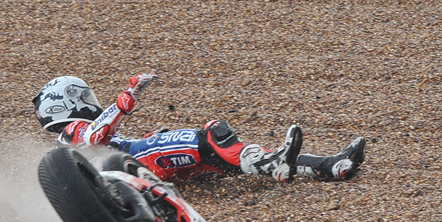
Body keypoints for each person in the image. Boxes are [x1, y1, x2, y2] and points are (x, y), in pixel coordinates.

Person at [32, 74, 366, 184]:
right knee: (211, 135)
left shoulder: (66, 142)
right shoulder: (70, 131)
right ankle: (272, 165)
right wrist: (127, 97)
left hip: (138, 166)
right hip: (138, 161)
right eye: (84, 96)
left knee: (224, 159)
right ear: (65, 103)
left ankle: (329, 166)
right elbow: (96, 136)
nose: (91, 101)